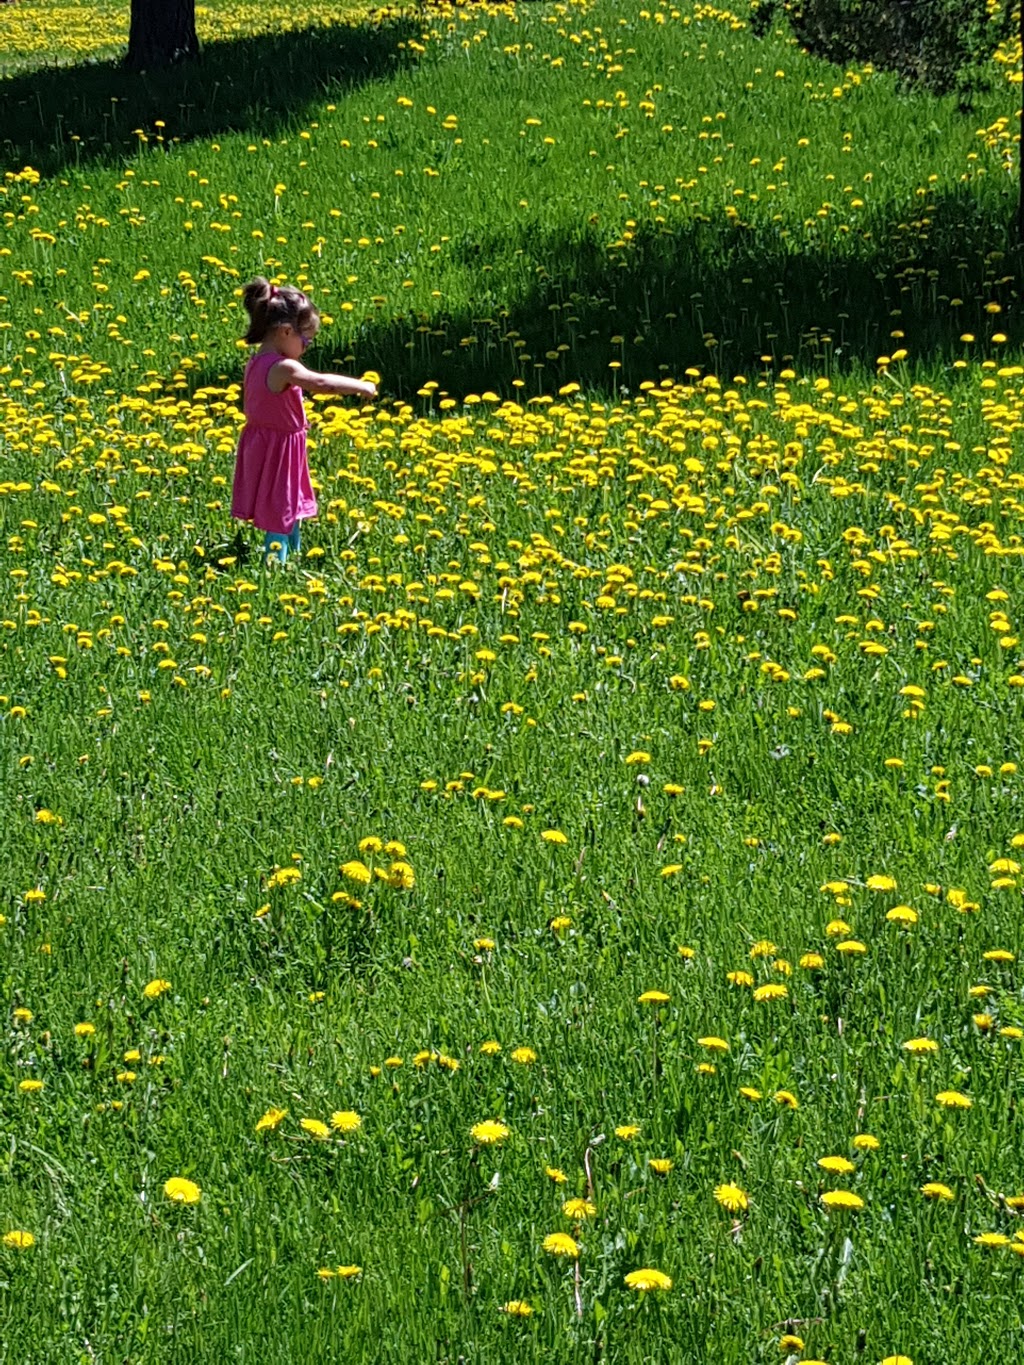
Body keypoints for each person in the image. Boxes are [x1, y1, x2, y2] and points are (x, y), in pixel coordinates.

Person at [231, 277, 377, 565]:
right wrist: (360, 386)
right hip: (279, 449)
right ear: (286, 332)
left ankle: (293, 555)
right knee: (280, 506)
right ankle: (274, 566)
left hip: (267, 443)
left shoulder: (256, 360)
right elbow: (320, 382)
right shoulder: (283, 367)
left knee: (290, 502)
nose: (307, 346)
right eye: (306, 340)